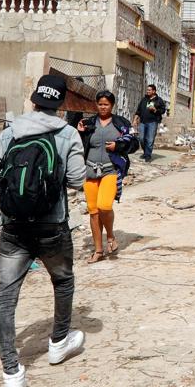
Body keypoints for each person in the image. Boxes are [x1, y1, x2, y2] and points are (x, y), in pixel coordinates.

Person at [0, 74, 88, 387]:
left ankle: (12, 373)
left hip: (13, 226)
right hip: (51, 225)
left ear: (33, 100)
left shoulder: (11, 130)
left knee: (6, 297)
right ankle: (58, 342)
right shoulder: (67, 133)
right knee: (63, 281)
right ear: (59, 104)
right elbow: (75, 181)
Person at [76, 91, 138, 263]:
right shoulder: (88, 123)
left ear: (112, 105)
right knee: (93, 211)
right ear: (96, 105)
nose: (103, 107)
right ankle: (98, 250)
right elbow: (79, 145)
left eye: (106, 104)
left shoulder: (121, 123)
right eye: (100, 104)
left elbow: (134, 144)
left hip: (110, 170)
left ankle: (110, 236)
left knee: (104, 206)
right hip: (90, 171)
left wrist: (118, 145)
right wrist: (80, 132)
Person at [131, 83, 168, 162]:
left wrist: (155, 110)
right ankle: (145, 152)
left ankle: (148, 155)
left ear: (154, 91)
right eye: (147, 90)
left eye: (149, 90)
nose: (147, 91)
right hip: (143, 122)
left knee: (150, 139)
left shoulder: (159, 100)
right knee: (141, 138)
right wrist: (135, 120)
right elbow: (138, 111)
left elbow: (163, 110)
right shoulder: (144, 99)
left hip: (152, 122)